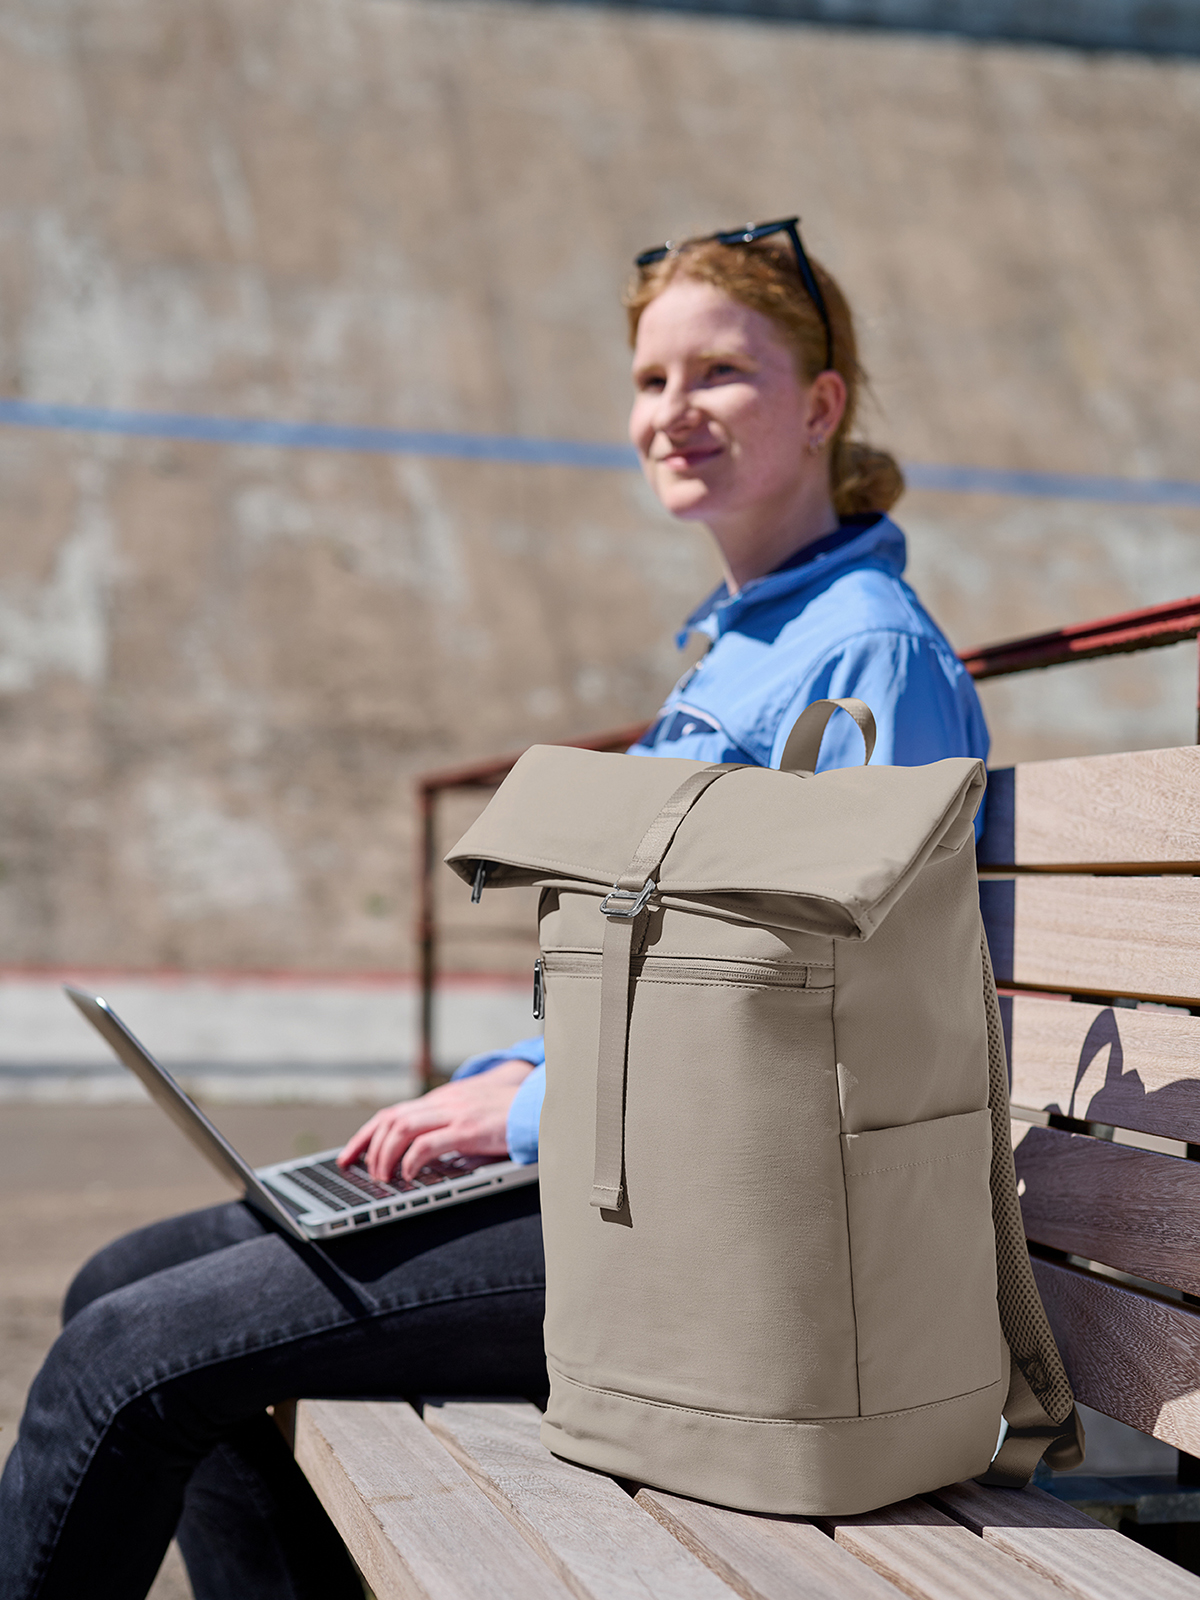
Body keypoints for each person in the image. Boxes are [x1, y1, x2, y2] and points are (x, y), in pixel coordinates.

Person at [0, 218, 988, 1600]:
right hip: (612, 1174)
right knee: (117, 1282)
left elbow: (834, 1042)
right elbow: (662, 975)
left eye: (721, 372)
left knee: (125, 1363)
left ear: (821, 406)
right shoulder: (747, 644)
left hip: (712, 1247)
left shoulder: (870, 654)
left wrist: (528, 1119)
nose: (673, 410)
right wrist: (512, 1081)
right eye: (650, 380)